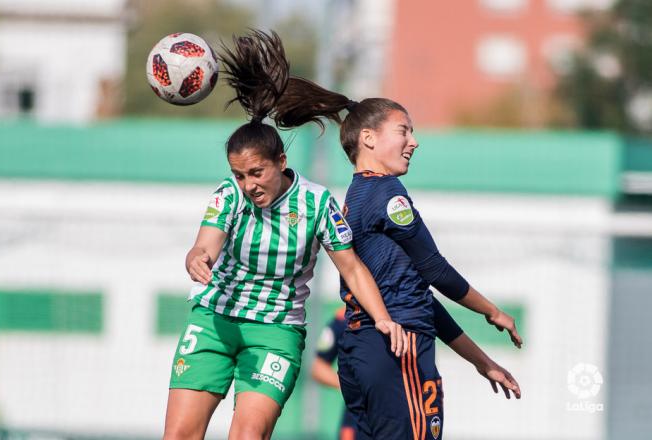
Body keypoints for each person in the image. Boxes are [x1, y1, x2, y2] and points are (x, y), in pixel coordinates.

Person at [265, 38, 525, 440]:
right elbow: (434, 269)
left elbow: (419, 299)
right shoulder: (387, 194)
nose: (414, 141)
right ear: (368, 138)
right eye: (404, 130)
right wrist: (491, 311)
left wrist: (480, 361)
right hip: (397, 350)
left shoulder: (357, 195)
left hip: (367, 350)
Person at [162, 31, 408, 440]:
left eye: (256, 173)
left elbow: (353, 268)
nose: (248, 184)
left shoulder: (316, 204)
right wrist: (196, 259)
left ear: (281, 162)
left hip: (275, 332)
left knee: (247, 436)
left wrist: (383, 319)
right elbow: (204, 244)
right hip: (214, 322)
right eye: (240, 175)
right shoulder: (229, 196)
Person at [312, 301, 521, 440]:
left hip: (410, 411)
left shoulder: (413, 307)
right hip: (360, 419)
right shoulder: (346, 319)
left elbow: (439, 290)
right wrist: (363, 386)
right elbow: (318, 368)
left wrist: (484, 362)